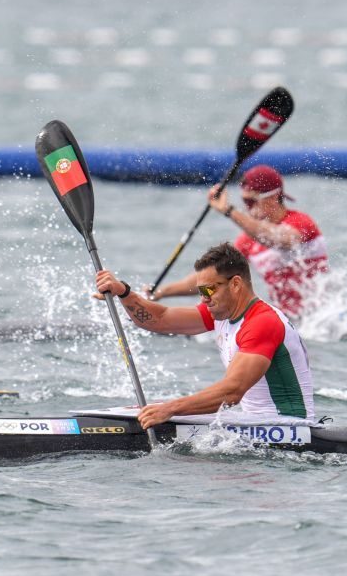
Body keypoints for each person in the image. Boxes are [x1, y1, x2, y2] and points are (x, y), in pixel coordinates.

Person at [96, 242, 314, 429]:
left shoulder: (262, 323)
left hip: (288, 428)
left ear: (235, 284)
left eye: (208, 290)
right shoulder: (221, 313)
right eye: (200, 292)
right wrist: (123, 293)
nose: (204, 298)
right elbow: (160, 319)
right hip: (254, 422)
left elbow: (232, 391)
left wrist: (169, 409)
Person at [150, 165, 328, 319]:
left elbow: (278, 239)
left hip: (322, 319)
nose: (247, 207)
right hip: (288, 318)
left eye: (251, 201)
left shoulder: (301, 223)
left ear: (273, 197)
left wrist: (228, 210)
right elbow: (212, 278)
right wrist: (161, 293)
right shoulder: (247, 241)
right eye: (244, 201)